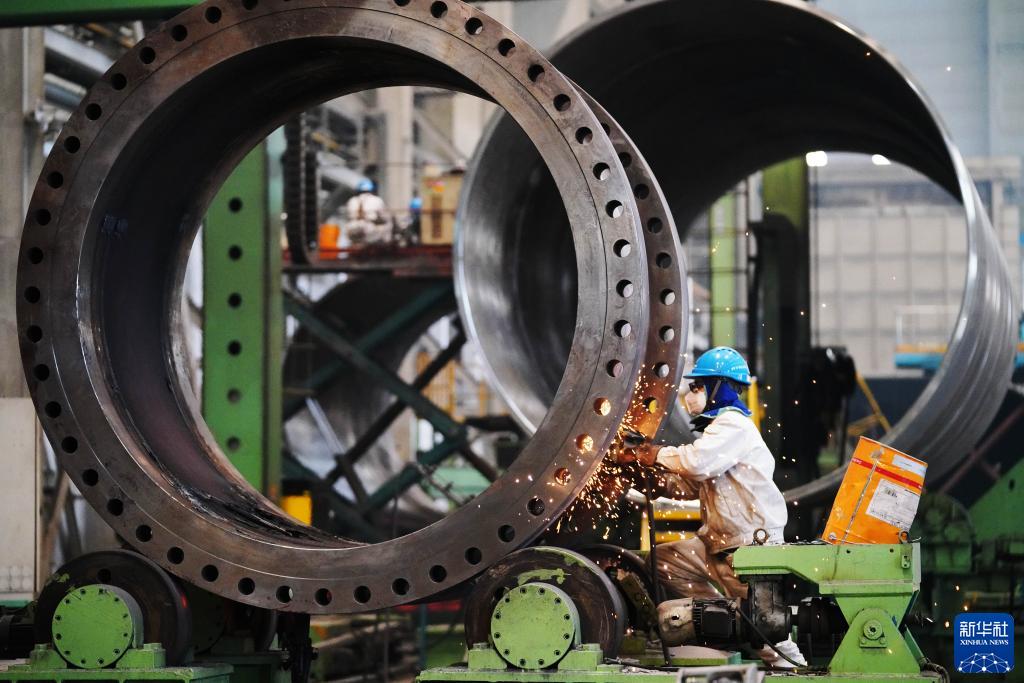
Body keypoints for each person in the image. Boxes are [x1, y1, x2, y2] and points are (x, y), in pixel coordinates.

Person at [626, 346, 807, 668]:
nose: (691, 394)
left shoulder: (733, 426)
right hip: (716, 544)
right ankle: (719, 623)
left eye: (698, 386)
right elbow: (690, 486)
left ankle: (792, 670)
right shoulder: (717, 434)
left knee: (768, 636)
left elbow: (696, 463)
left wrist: (653, 454)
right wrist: (650, 480)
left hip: (749, 550)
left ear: (718, 387)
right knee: (664, 561)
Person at [344, 179, 392, 246]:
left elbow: (347, 216)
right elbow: (385, 217)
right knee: (388, 224)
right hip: (369, 229)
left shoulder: (352, 200)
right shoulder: (377, 200)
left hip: (351, 228)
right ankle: (386, 245)